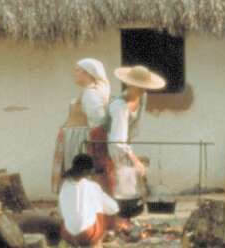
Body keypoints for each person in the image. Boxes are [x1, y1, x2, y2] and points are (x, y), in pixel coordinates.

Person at [103, 65, 166, 211]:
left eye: (145, 86)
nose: (143, 89)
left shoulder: (142, 97)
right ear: (130, 84)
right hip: (110, 143)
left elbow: (133, 128)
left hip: (124, 142)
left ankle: (127, 215)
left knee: (131, 178)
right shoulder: (119, 106)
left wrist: (132, 155)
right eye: (139, 86)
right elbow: (117, 140)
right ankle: (119, 215)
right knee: (122, 182)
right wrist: (135, 160)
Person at [52, 59, 111, 192]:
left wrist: (91, 142)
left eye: (78, 70)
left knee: (78, 176)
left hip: (80, 140)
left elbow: (97, 121)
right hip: (75, 138)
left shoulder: (91, 93)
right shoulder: (88, 92)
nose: (75, 73)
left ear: (88, 73)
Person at [58, 154, 119, 247]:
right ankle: (98, 243)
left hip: (67, 234)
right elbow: (114, 208)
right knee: (104, 211)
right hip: (87, 235)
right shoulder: (92, 186)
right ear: (88, 173)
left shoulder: (64, 185)